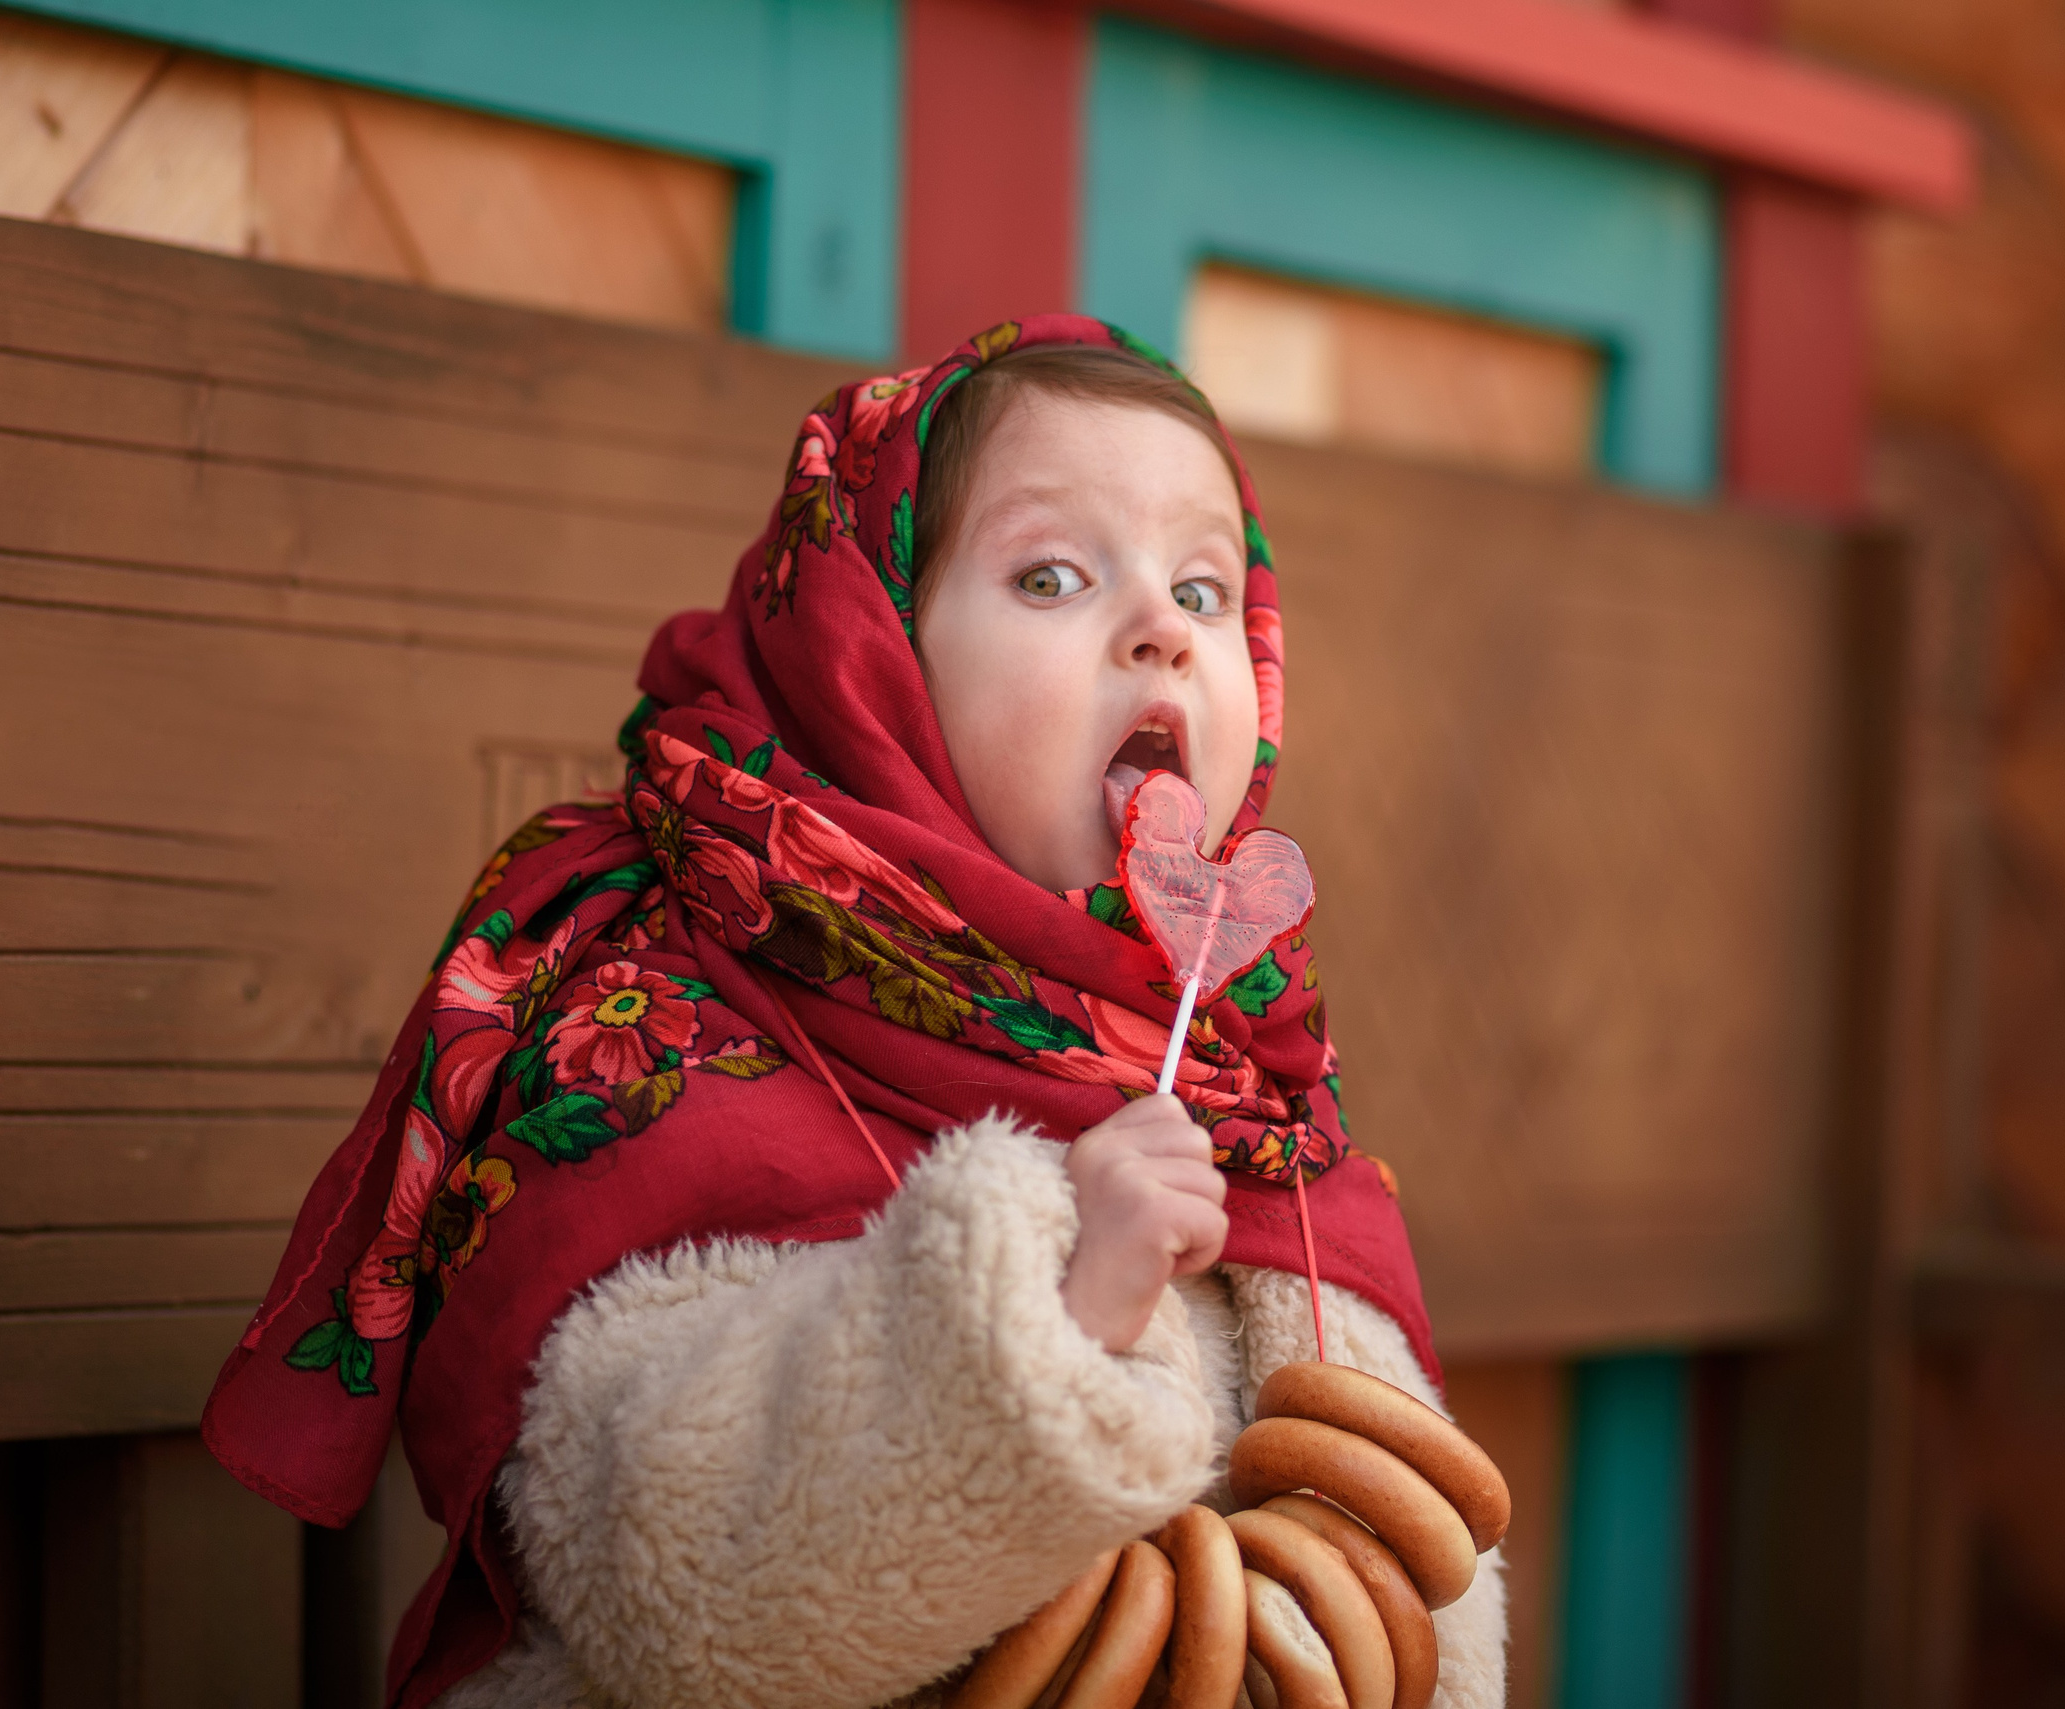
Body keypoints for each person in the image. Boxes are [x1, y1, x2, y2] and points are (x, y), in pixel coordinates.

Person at [203, 318, 1507, 1709]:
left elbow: (1416, 1579)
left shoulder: (1257, 1079)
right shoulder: (668, 1031)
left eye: (1204, 587)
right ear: (866, 659)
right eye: (1053, 574)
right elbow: (678, 1577)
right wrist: (1057, 1315)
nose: (1162, 634)